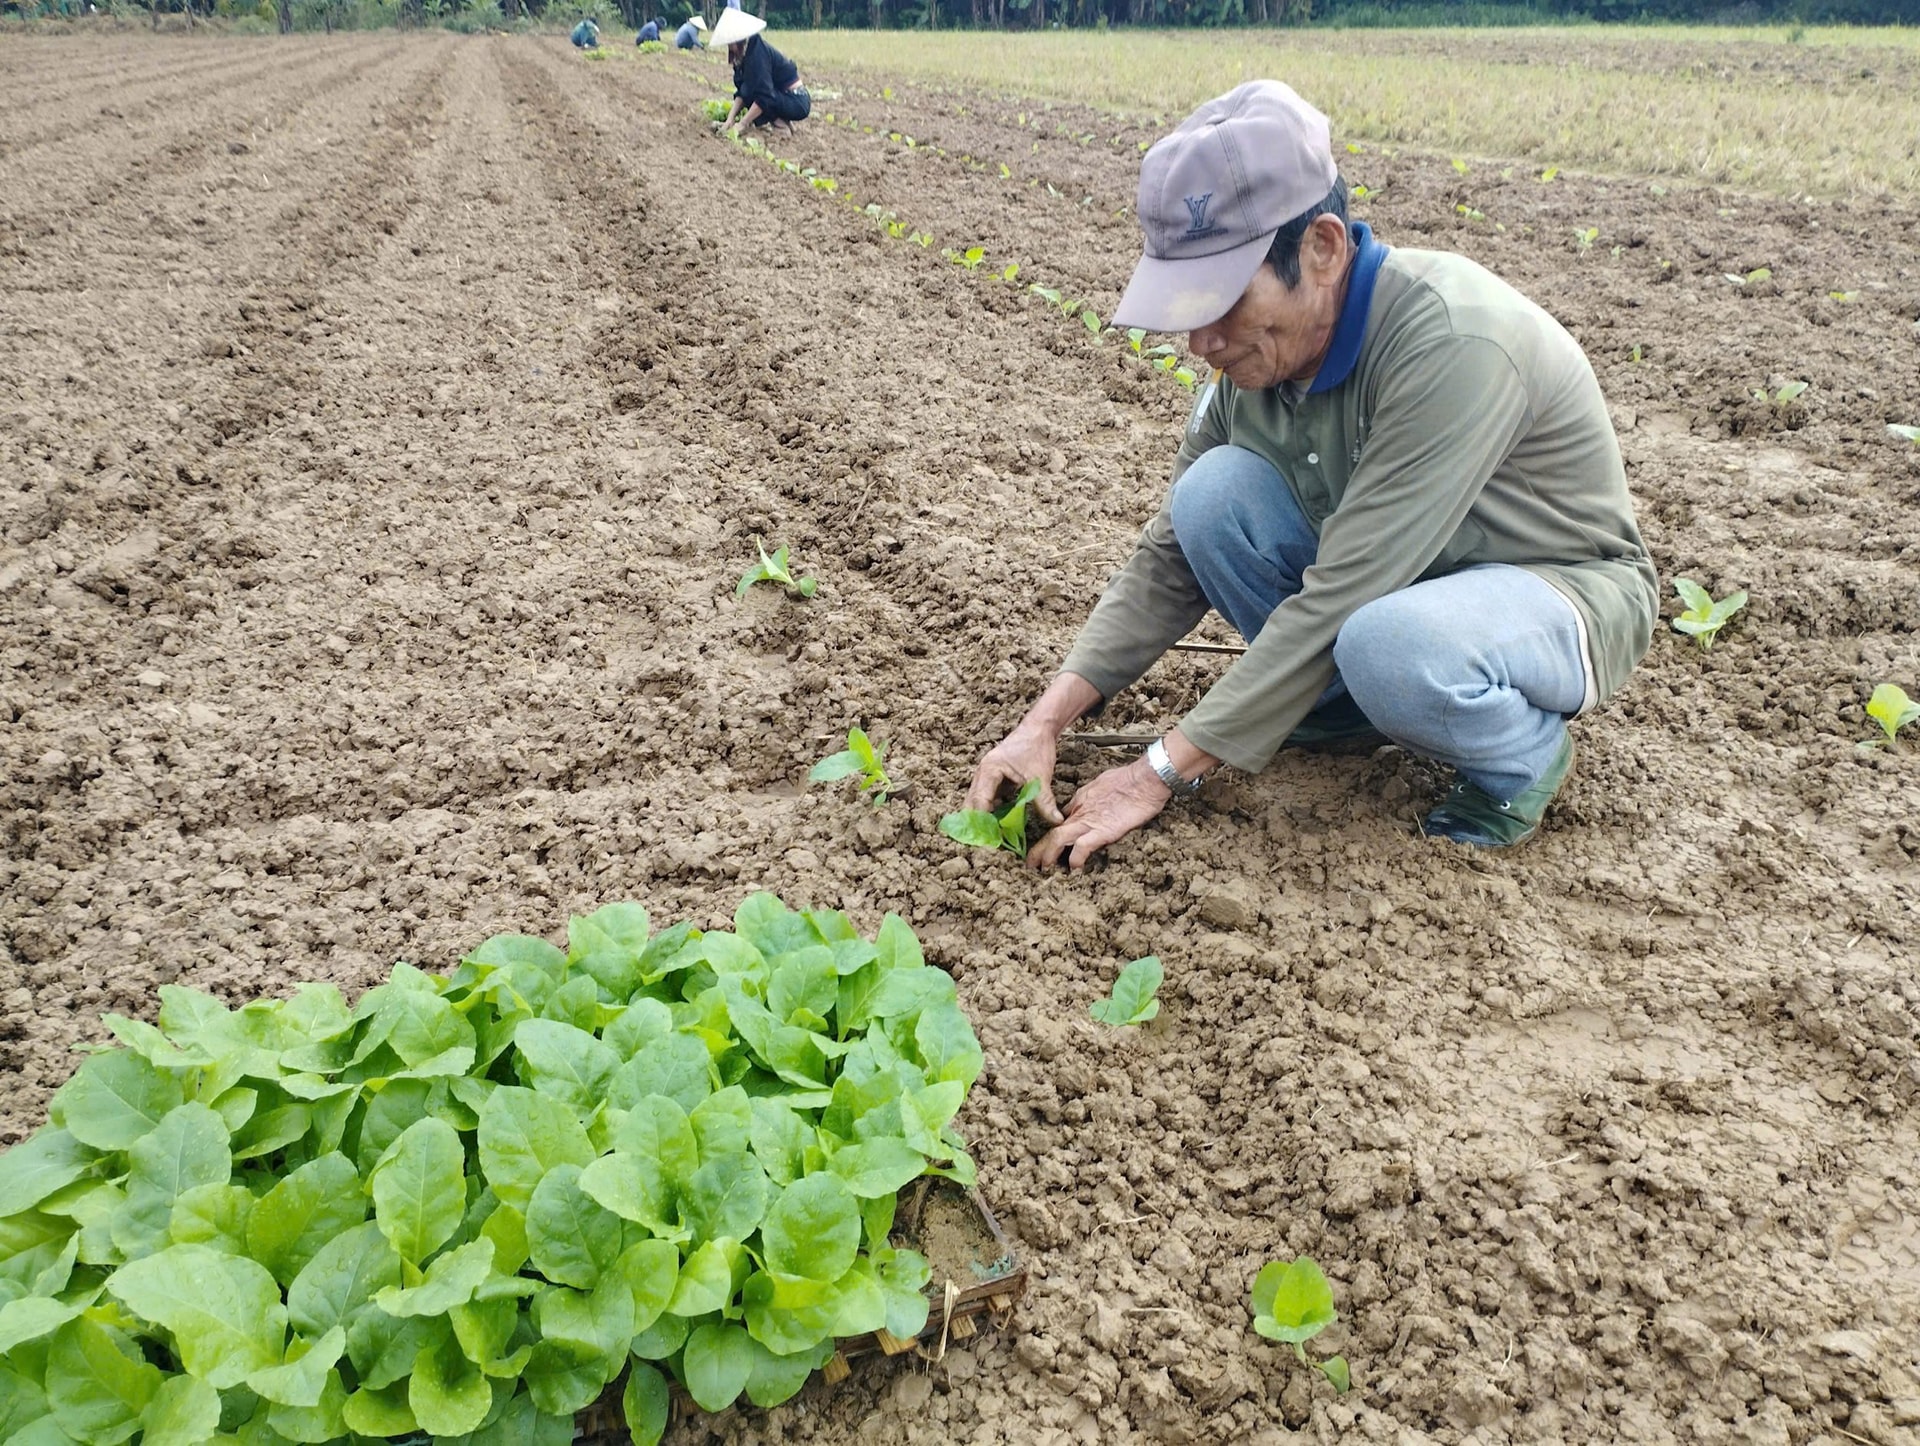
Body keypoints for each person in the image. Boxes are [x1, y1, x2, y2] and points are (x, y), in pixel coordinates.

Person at [967, 80, 1656, 866]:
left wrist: (1158, 772)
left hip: (1557, 594)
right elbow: (1168, 557)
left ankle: (1520, 759)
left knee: (1384, 642)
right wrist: (1044, 722)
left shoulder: (1453, 344)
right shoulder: (1259, 365)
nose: (1201, 343)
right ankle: (1339, 715)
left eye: (1222, 300)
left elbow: (1346, 593)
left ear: (1322, 249)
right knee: (1211, 495)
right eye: (1186, 307)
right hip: (1404, 585)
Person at [709, 9, 809, 138]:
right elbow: (743, 92)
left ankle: (782, 126)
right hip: (781, 96)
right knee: (749, 91)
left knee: (759, 94)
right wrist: (730, 120)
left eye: (730, 42)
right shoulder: (744, 55)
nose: (729, 46)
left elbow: (764, 95)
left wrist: (742, 124)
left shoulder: (757, 54)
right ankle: (781, 122)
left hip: (796, 101)